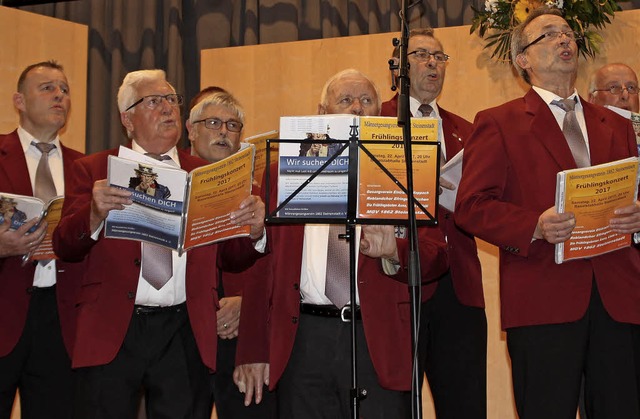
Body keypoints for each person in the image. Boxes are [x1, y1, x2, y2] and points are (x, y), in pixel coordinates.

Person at [455, 7, 640, 419]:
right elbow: (471, 206)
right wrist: (533, 226)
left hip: (618, 298)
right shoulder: (498, 122)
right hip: (543, 298)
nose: (564, 40)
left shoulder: (616, 123)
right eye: (550, 34)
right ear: (523, 60)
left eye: (569, 33)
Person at [234, 68, 450, 419]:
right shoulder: (283, 171)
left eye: (366, 101)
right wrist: (252, 348)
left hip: (376, 338)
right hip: (302, 338)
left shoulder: (404, 170)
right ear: (321, 113)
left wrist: (392, 253)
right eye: (345, 100)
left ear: (380, 114)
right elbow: (264, 269)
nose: (356, 109)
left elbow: (437, 258)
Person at [52, 69, 265, 419]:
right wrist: (93, 214)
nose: (168, 108)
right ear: (127, 119)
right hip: (113, 328)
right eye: (154, 101)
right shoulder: (93, 170)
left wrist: (255, 232)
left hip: (184, 330)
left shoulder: (205, 173)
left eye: (172, 100)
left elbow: (229, 256)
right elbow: (65, 245)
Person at [380, 27, 487, 419]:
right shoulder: (377, 119)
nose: (432, 64)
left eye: (439, 57)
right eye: (422, 55)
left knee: (465, 403)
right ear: (398, 69)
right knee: (397, 405)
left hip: (459, 285)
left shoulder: (469, 131)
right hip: (398, 279)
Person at [0, 60, 84, 419]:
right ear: (19, 100)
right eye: (47, 87)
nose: (59, 96)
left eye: (64, 89)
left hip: (63, 318)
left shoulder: (87, 167)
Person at [186, 89, 277, 418]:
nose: (224, 131)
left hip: (240, 334)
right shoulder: (169, 183)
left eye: (233, 125)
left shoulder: (258, 192)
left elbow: (273, 263)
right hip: (181, 338)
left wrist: (247, 305)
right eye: (213, 123)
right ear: (191, 130)